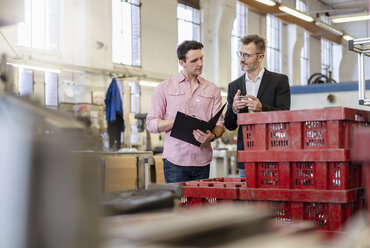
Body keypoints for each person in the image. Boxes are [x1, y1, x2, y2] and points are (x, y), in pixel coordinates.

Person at [146, 40, 225, 183]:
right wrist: (174, 122)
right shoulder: (164, 88)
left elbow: (219, 123)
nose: (200, 64)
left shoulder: (212, 89)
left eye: (201, 58)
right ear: (181, 62)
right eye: (194, 60)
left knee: (200, 205)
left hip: (202, 161)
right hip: (175, 162)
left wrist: (212, 136)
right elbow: (151, 124)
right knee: (178, 204)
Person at [224, 34, 291, 178]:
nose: (241, 59)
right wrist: (234, 109)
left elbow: (285, 115)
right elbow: (230, 126)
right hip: (246, 155)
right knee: (248, 198)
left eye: (247, 55)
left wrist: (262, 109)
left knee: (273, 197)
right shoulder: (234, 86)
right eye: (240, 54)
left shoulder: (279, 81)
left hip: (273, 152)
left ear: (260, 57)